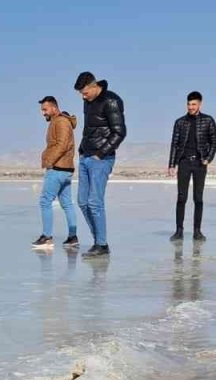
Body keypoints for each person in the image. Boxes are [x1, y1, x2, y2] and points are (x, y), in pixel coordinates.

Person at [74, 71, 126, 258]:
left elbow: (119, 132)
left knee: (95, 202)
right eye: (80, 93)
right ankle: (99, 240)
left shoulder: (112, 101)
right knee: (82, 201)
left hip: (101, 159)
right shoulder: (87, 102)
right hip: (85, 156)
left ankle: (101, 244)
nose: (83, 96)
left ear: (94, 86)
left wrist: (100, 153)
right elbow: (88, 129)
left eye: (85, 92)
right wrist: (82, 150)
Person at [167, 91, 216, 242]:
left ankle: (197, 231)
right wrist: (171, 164)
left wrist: (208, 158)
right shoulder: (180, 122)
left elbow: (214, 141)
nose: (191, 107)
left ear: (200, 104)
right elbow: (174, 144)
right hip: (183, 162)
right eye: (189, 104)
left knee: (198, 198)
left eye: (194, 104)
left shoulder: (208, 120)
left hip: (200, 163)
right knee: (181, 197)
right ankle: (179, 231)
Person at [32, 96, 79, 250]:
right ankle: (72, 237)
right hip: (64, 169)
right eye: (42, 110)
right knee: (66, 203)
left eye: (45, 109)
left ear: (54, 107)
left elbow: (62, 145)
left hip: (58, 168)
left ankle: (47, 237)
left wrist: (49, 161)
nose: (43, 113)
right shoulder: (58, 122)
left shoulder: (61, 122)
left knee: (45, 201)